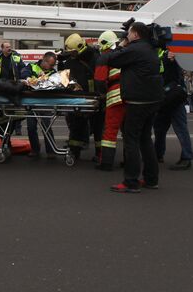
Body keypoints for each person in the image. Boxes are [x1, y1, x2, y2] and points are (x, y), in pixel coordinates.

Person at [97, 21, 164, 193]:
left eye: (129, 33)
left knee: (131, 139)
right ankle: (151, 179)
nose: (126, 35)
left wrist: (120, 45)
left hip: (137, 101)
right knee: (145, 139)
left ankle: (131, 181)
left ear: (135, 34)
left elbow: (108, 58)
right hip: (152, 100)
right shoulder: (149, 48)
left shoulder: (135, 49)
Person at [58, 33, 101, 162]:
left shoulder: (95, 58)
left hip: (94, 98)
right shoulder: (71, 60)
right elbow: (64, 79)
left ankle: (101, 154)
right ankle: (74, 151)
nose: (71, 54)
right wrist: (61, 64)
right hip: (77, 98)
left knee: (98, 127)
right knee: (76, 126)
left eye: (72, 51)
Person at [153, 51, 193, 170]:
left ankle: (187, 157)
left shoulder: (173, 53)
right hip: (164, 96)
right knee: (159, 128)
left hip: (173, 96)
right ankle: (158, 154)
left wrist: (172, 59)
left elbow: (176, 75)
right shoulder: (160, 52)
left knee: (180, 128)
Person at [93, 30, 123, 170]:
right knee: (128, 131)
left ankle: (106, 163)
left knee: (110, 130)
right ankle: (129, 160)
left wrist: (102, 95)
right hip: (131, 95)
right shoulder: (125, 54)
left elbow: (99, 81)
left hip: (115, 97)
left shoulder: (104, 58)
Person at [20, 52, 57, 158]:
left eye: (52, 65)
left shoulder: (53, 72)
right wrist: (29, 79)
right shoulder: (32, 66)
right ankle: (35, 149)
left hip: (45, 102)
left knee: (46, 126)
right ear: (44, 61)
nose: (51, 67)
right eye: (50, 64)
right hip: (31, 101)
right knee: (31, 127)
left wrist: (46, 79)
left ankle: (51, 151)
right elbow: (23, 74)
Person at [0, 41, 24, 134]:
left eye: (10, 47)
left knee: (16, 107)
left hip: (14, 84)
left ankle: (18, 129)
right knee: (4, 107)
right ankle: (2, 127)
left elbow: (22, 68)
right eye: (7, 47)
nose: (9, 48)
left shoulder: (16, 57)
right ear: (2, 49)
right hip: (2, 85)